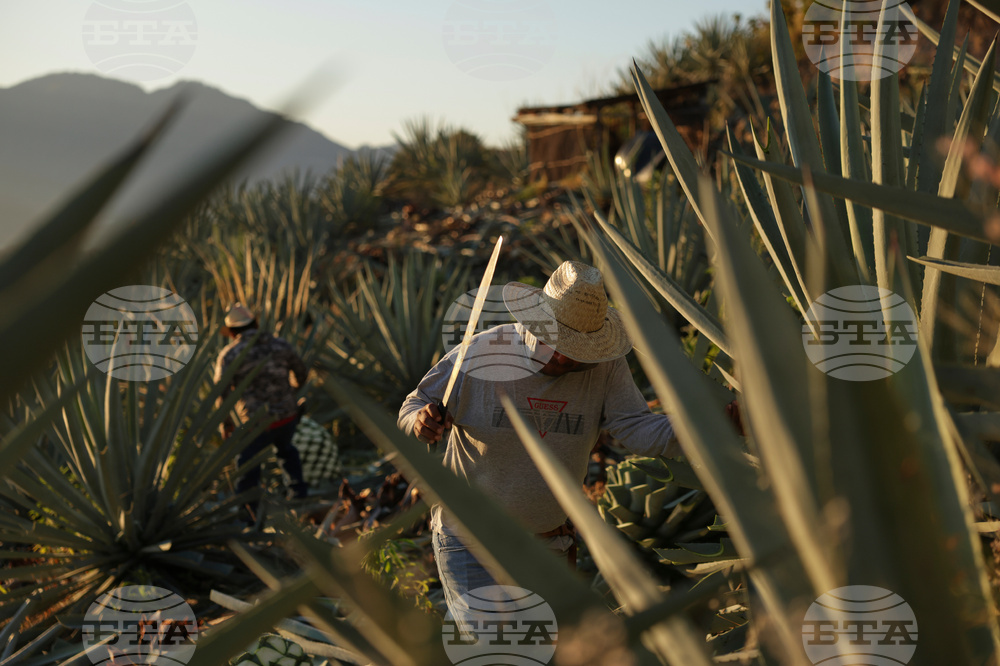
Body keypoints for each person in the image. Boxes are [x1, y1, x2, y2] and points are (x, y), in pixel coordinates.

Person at [398, 261, 738, 619]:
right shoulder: (481, 354)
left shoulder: (605, 367)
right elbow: (413, 405)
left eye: (576, 350)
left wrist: (712, 427)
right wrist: (420, 422)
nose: (561, 357)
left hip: (548, 546)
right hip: (469, 542)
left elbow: (637, 428)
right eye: (553, 343)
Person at [214, 303, 309, 515]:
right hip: (287, 416)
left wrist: (226, 424)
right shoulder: (281, 345)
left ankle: (249, 514)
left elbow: (222, 393)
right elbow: (301, 372)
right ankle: (299, 498)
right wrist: (290, 393)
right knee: (286, 450)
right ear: (256, 323)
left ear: (231, 332)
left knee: (248, 464)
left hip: (256, 423)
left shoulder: (229, 355)